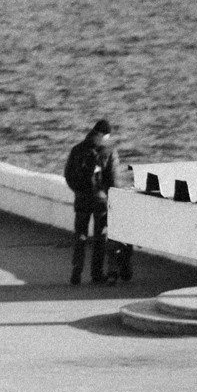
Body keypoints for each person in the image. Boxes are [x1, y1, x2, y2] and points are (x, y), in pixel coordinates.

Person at [64, 119, 120, 286]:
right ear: (106, 134)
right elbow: (113, 178)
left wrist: (79, 191)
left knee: (80, 235)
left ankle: (77, 270)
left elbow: (68, 175)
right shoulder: (109, 151)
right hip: (100, 201)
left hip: (81, 200)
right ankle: (96, 273)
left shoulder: (77, 149)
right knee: (100, 237)